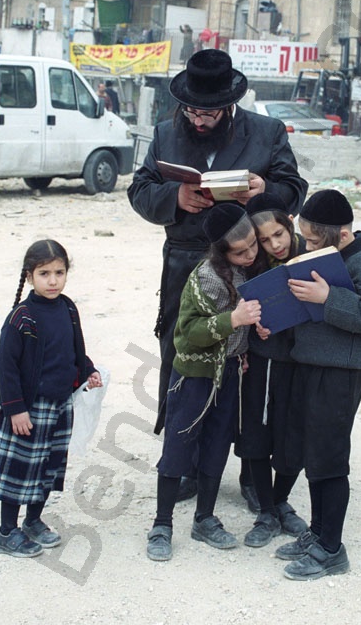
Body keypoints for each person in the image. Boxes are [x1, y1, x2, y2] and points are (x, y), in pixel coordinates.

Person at [127, 48, 308, 506]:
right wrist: (175, 197)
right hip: (185, 263)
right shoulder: (166, 133)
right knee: (183, 356)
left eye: (208, 112)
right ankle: (184, 464)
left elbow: (295, 189)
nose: (200, 120)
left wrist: (267, 190)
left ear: (228, 105)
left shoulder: (266, 132)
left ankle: (252, 472)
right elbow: (139, 189)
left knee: (253, 365)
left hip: (252, 263)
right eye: (193, 110)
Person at [274, 190, 361, 580]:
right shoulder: (322, 255)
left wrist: (328, 297)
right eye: (303, 237)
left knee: (330, 460)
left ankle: (331, 550)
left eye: (314, 239)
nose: (306, 245)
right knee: (312, 454)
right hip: (308, 366)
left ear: (341, 234)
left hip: (339, 375)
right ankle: (317, 532)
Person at [147, 204, 262, 562]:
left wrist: (254, 331)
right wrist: (234, 319)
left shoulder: (253, 272)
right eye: (240, 251)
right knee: (178, 448)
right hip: (194, 379)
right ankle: (161, 524)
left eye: (253, 246)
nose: (250, 254)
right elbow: (186, 336)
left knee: (216, 447)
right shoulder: (204, 279)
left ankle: (205, 519)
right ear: (221, 251)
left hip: (230, 377)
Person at [0, 239, 102, 558]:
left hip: (60, 405)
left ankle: (33, 520)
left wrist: (87, 368)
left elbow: (75, 346)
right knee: (21, 470)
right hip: (29, 409)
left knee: (48, 467)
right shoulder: (22, 317)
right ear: (30, 276)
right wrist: (15, 409)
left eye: (59, 272)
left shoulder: (68, 307)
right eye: (44, 273)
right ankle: (7, 532)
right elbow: (6, 368)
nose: (53, 280)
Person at [236, 192, 308, 548]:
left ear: (289, 224)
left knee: (294, 436)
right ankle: (266, 509)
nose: (274, 244)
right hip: (264, 361)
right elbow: (242, 308)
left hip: (303, 363)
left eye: (278, 234)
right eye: (264, 240)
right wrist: (254, 325)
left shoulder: (313, 255)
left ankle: (281, 501)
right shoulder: (253, 266)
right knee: (256, 435)